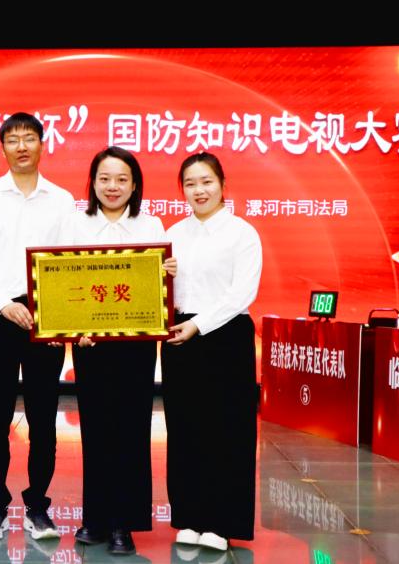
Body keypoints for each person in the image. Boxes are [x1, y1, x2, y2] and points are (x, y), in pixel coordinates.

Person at [0, 112, 75, 540]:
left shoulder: (61, 200)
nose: (22, 146)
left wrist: (58, 315)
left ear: (43, 144)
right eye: (13, 139)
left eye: (29, 138)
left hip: (46, 318)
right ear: (2, 147)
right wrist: (5, 304)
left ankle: (38, 506)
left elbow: (69, 259)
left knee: (44, 418)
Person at [57, 146, 168, 556]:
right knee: (96, 429)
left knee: (132, 431)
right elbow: (60, 280)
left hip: (136, 345)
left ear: (135, 185)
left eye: (122, 179)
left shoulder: (151, 224)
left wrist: (168, 273)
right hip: (91, 345)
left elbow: (158, 285)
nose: (113, 186)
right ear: (93, 183)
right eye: (104, 178)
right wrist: (74, 328)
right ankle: (97, 517)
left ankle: (124, 523)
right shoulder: (75, 223)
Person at [161, 152, 262, 552]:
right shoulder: (174, 233)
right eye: (190, 184)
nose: (199, 191)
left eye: (206, 182)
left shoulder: (242, 233)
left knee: (228, 431)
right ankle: (189, 517)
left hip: (225, 337)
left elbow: (242, 294)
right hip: (179, 337)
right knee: (185, 429)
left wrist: (199, 325)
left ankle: (221, 522)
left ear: (222, 184)